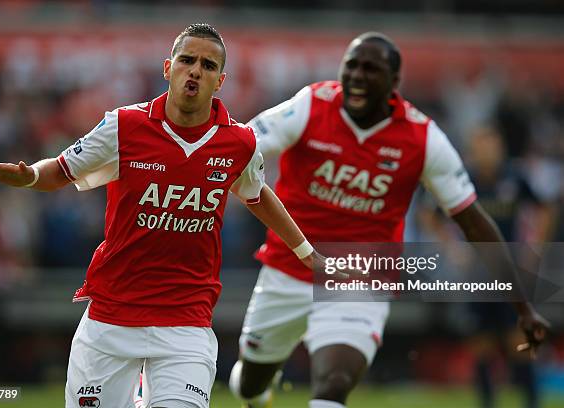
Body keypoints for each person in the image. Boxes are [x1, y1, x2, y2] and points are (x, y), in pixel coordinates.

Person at [0, 23, 322, 408]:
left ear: (220, 81)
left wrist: (306, 251)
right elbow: (59, 171)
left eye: (207, 65)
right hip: (112, 316)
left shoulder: (239, 142)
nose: (195, 71)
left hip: (186, 320)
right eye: (187, 60)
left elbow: (257, 195)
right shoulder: (123, 126)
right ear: (167, 67)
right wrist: (31, 176)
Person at [228, 32, 549, 408]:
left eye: (371, 69)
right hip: (288, 267)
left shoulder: (422, 138)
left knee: (333, 383)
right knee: (249, 384)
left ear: (394, 83)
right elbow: (243, 146)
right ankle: (256, 390)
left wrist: (522, 306)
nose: (358, 76)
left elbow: (473, 221)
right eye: (351, 66)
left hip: (362, 275)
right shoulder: (311, 105)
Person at [464, 126, 552, 408]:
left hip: (512, 270)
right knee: (482, 344)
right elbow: (430, 213)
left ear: (500, 148)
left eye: (491, 145)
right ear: (472, 152)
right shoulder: (464, 180)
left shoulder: (516, 177)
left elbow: (546, 208)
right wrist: (452, 248)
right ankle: (487, 402)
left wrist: (535, 246)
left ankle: (531, 401)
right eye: (480, 147)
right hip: (478, 271)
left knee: (519, 341)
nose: (487, 153)